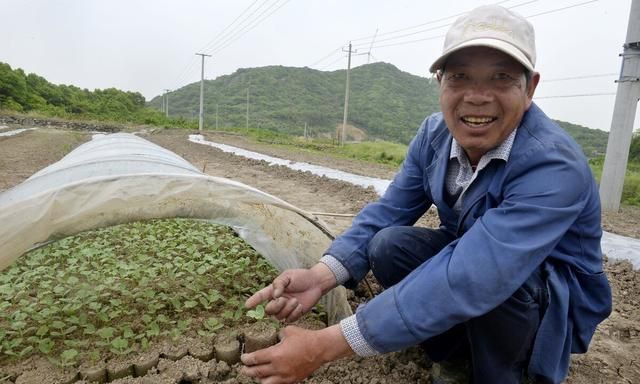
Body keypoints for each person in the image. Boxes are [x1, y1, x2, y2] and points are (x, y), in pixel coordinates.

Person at [241, 4, 612, 384]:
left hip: (544, 298)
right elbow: (390, 210)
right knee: (388, 245)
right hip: (477, 269)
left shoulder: (552, 165)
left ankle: (507, 373)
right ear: (440, 82)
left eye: (501, 77)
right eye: (460, 77)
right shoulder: (434, 136)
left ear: (529, 88)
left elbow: (477, 271)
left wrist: (324, 345)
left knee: (505, 281)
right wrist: (321, 276)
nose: (477, 96)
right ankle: (454, 354)